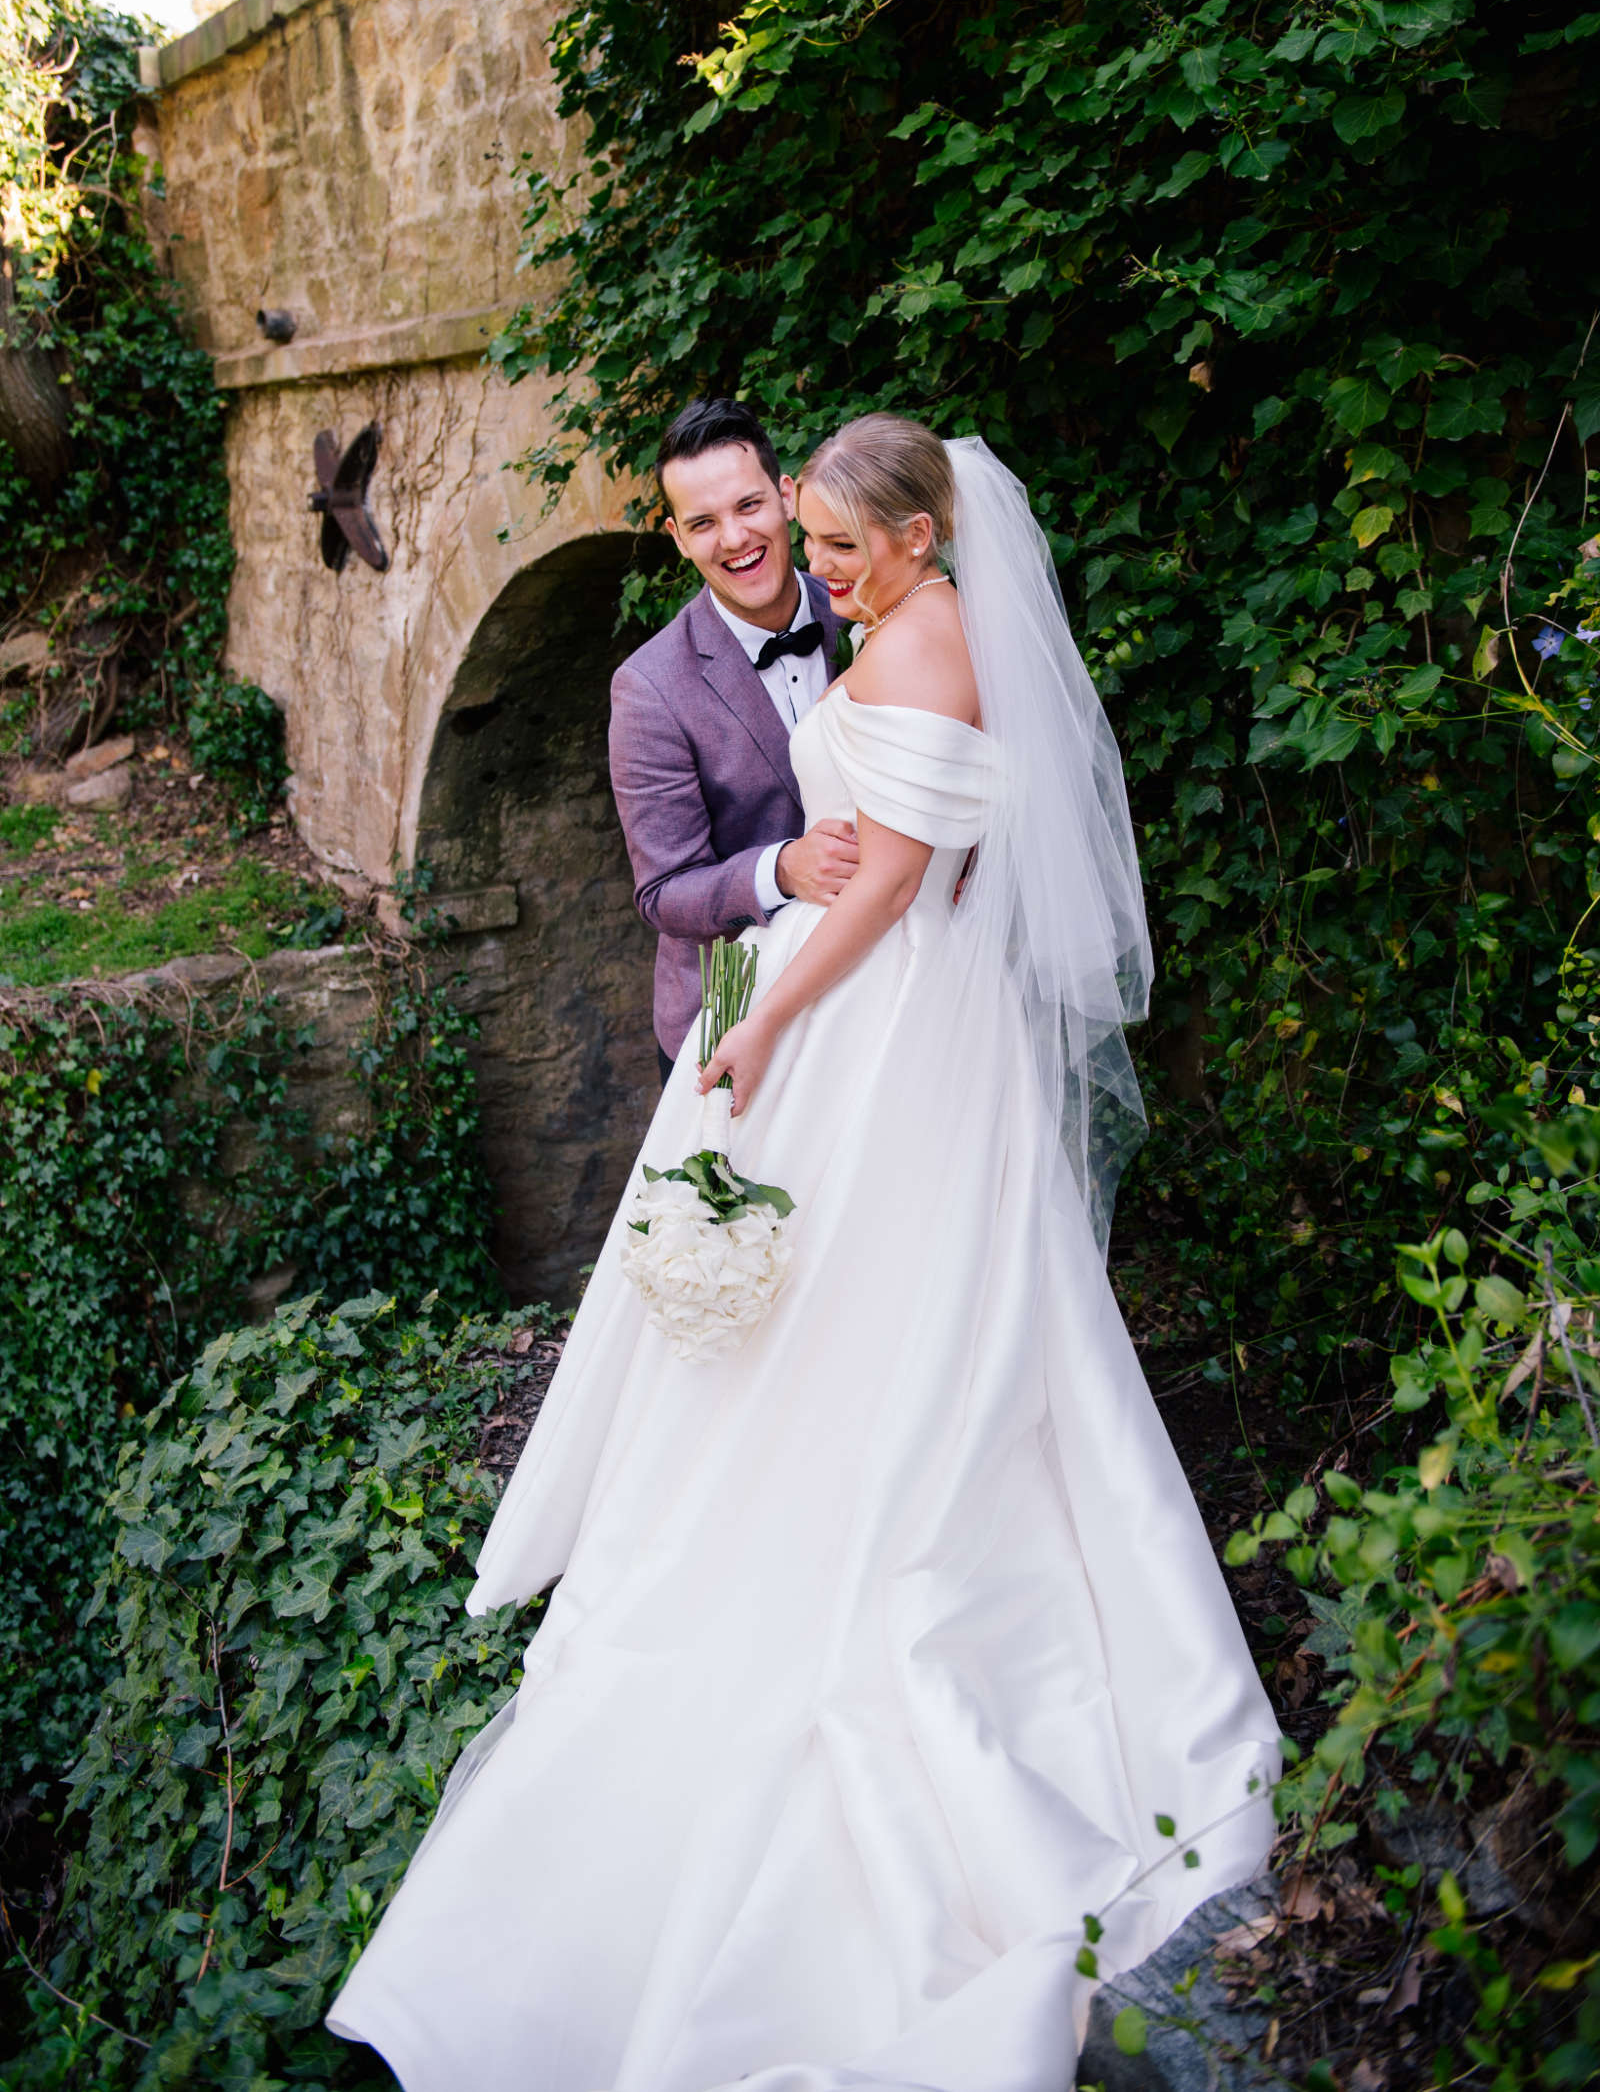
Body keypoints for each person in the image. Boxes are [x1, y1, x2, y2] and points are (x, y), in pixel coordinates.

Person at [328, 418, 1280, 2092]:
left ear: (905, 531)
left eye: (816, 535)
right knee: (866, 1297)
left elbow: (903, 871)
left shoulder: (911, 626)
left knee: (917, 1300)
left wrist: (774, 1020)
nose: (800, 564)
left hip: (879, 1015)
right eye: (752, 530)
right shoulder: (706, 668)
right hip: (875, 1006)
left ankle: (886, 1545)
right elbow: (684, 878)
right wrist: (780, 903)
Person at [609, 394, 861, 1087]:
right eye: (703, 523)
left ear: (787, 497)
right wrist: (783, 868)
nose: (733, 538)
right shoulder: (649, 689)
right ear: (677, 536)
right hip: (729, 1015)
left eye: (748, 506)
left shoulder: (871, 616)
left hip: (879, 984)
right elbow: (664, 891)